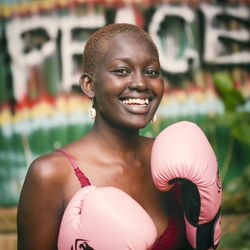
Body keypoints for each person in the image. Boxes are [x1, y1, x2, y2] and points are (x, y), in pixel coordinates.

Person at [17, 23, 190, 250]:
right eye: (121, 71)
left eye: (151, 72)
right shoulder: (52, 175)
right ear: (89, 85)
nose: (140, 83)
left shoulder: (174, 161)